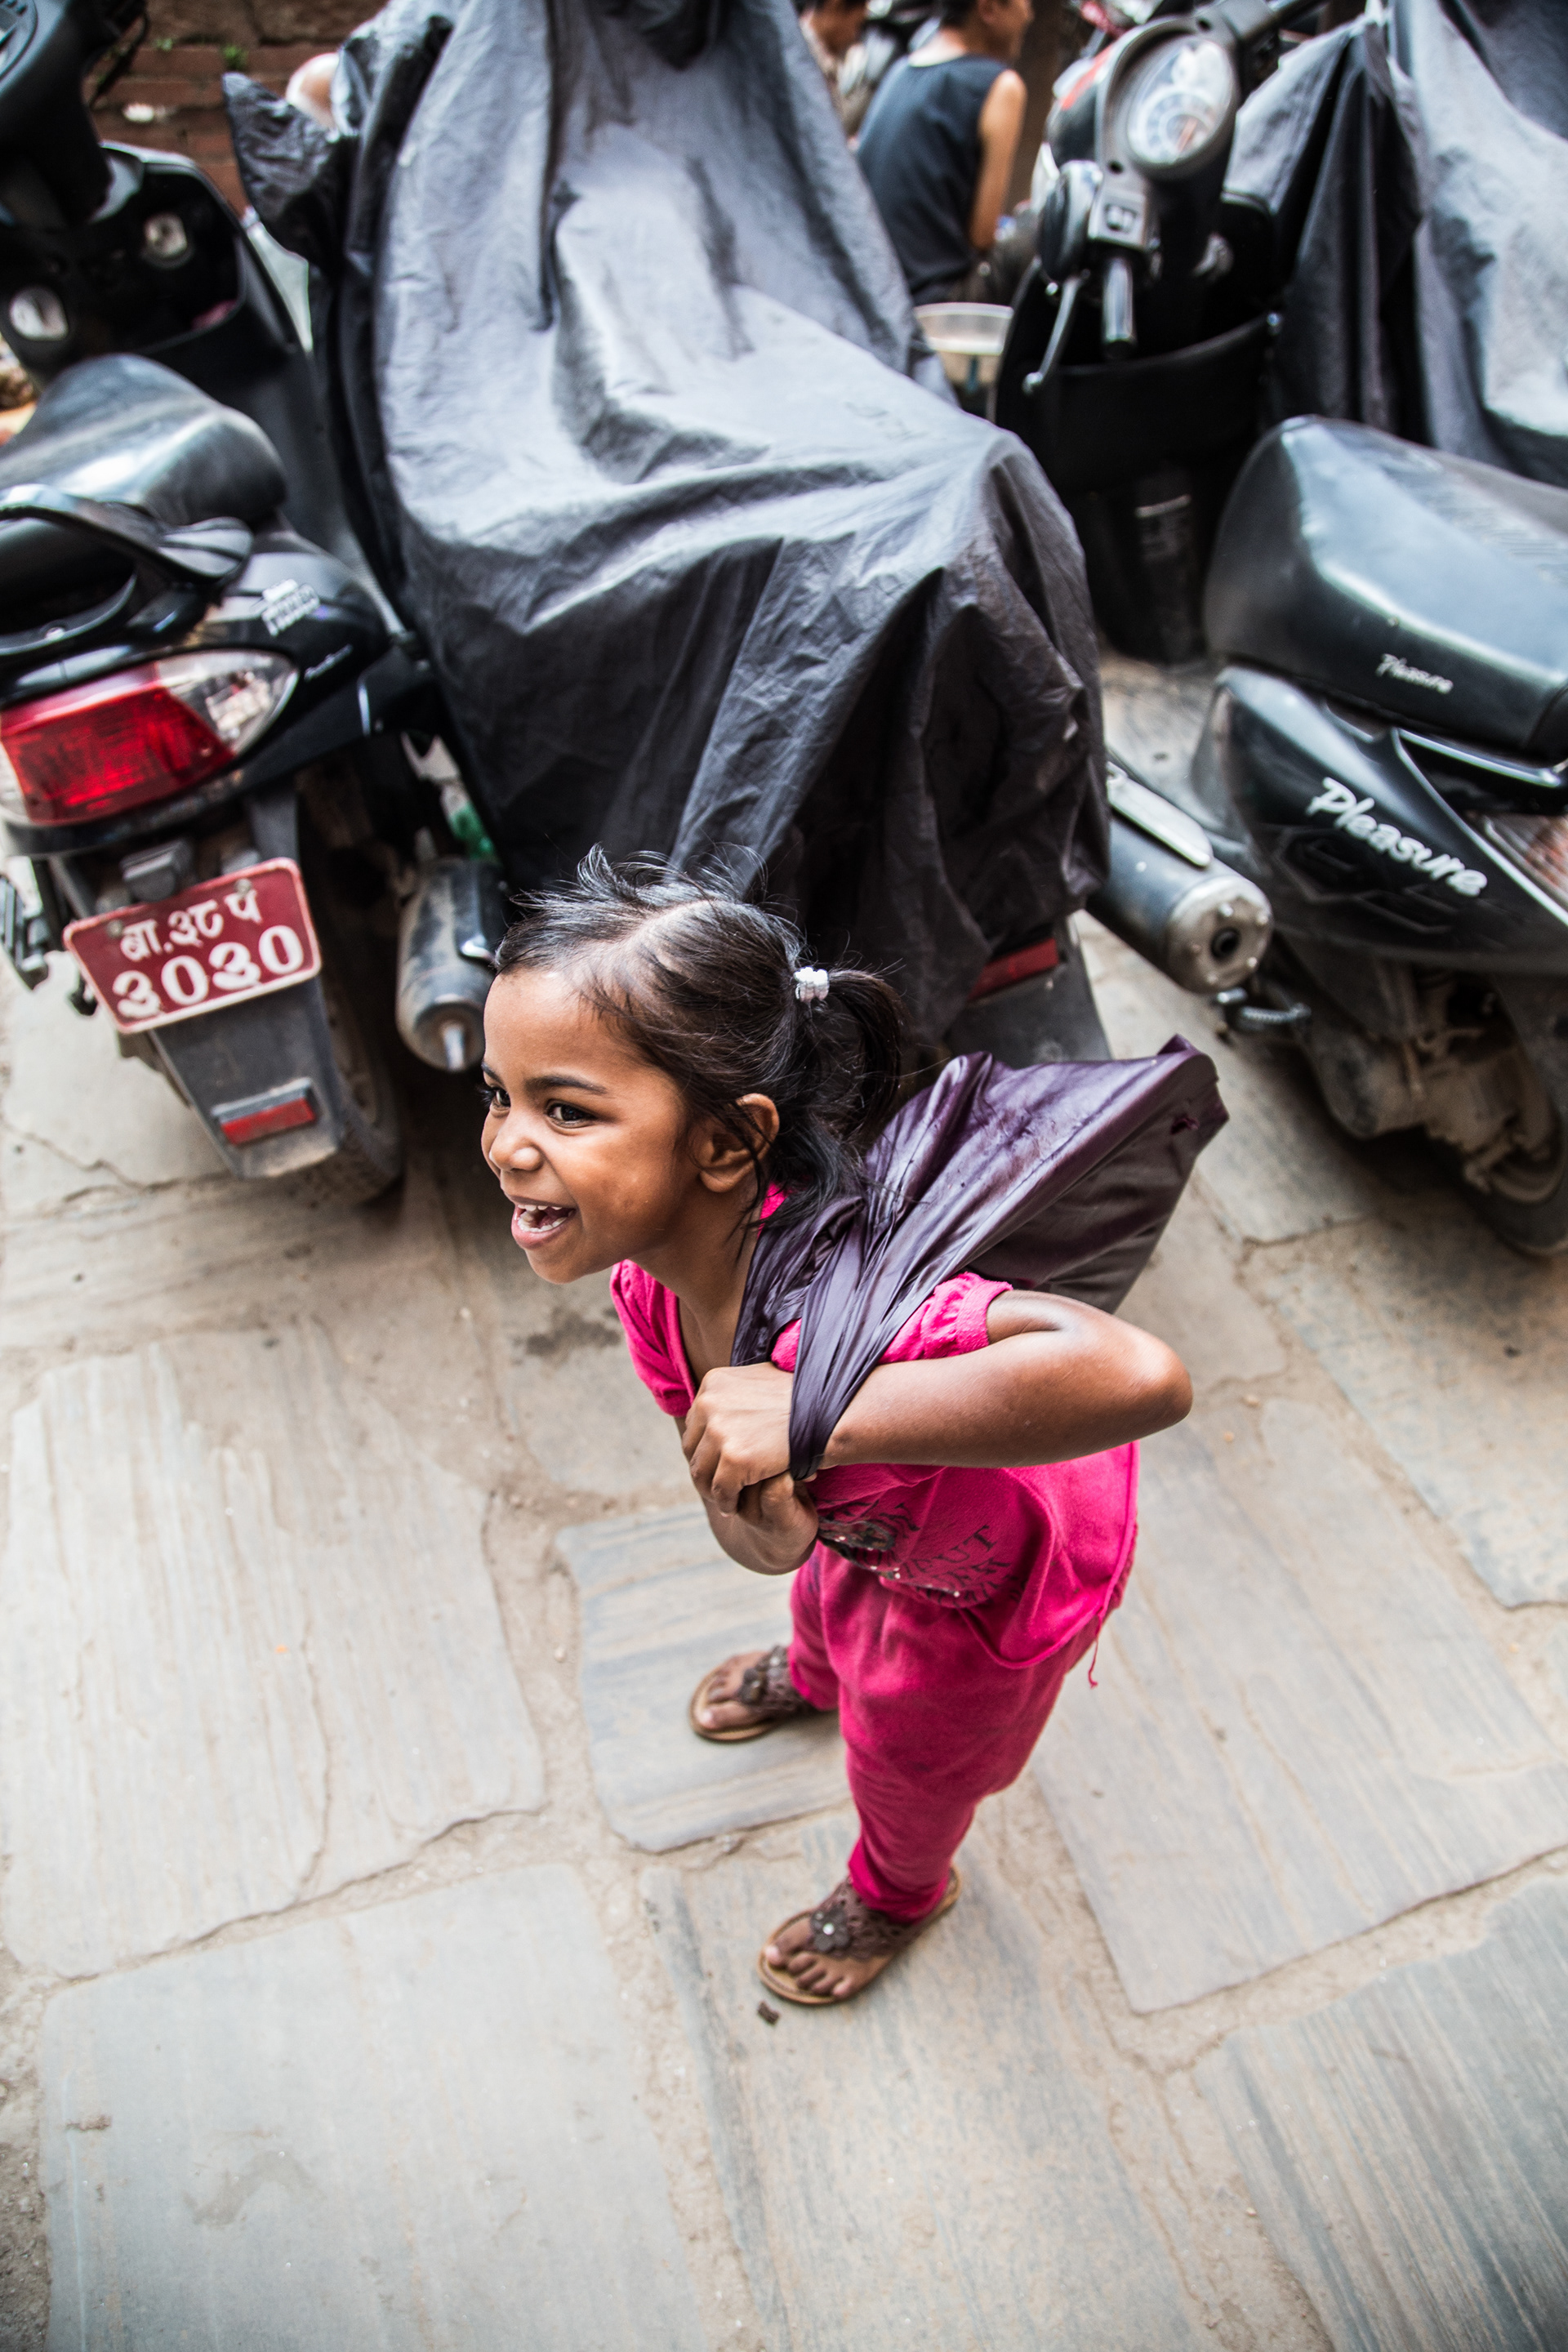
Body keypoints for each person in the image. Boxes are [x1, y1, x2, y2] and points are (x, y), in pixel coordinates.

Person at [480, 854, 1191, 2006]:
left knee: (911, 1757)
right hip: (881, 1527)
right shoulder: (653, 1294)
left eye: (565, 1109)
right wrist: (773, 1498)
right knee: (828, 1592)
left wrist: (823, 1418)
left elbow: (1142, 1375)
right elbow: (775, 1537)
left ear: (723, 1143)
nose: (508, 1144)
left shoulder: (876, 1330)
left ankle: (901, 1891)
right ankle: (816, 1672)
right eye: (497, 1094)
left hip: (996, 1572)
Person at [857, 0, 1032, 303]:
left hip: (871, 292)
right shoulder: (1002, 86)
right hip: (934, 299)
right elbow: (982, 237)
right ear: (988, 9)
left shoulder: (901, 70)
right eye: (1024, 3)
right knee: (1036, 232)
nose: (1028, 15)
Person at [797, 0, 871, 132]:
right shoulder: (802, 61)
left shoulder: (813, 57)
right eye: (857, 25)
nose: (855, 36)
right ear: (835, 5)